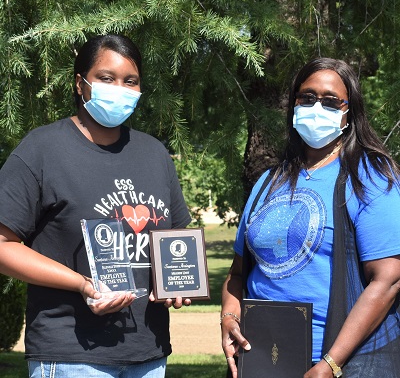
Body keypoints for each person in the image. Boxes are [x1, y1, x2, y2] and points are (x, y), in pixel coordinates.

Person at [0, 34, 192, 378]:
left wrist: (176, 284)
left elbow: (175, 241)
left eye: (130, 81)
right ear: (80, 83)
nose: (119, 88)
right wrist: (82, 284)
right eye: (106, 78)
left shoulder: (155, 155)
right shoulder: (42, 149)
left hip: (148, 354)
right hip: (72, 356)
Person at [221, 57, 400, 378]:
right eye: (307, 98)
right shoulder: (268, 182)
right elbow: (237, 275)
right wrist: (228, 317)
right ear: (293, 105)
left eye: (331, 101)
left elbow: (388, 279)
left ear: (349, 113)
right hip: (260, 360)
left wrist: (330, 364)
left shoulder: (369, 177)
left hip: (337, 362)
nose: (317, 107)